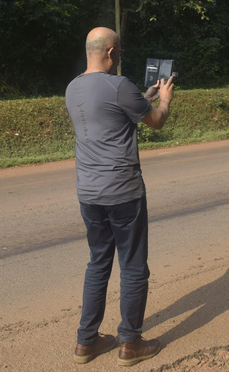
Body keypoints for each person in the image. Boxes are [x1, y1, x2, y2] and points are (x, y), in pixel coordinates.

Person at [65, 27, 175, 366]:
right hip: (123, 192)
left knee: (98, 263)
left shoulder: (72, 88)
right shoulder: (119, 86)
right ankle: (130, 343)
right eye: (119, 52)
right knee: (133, 267)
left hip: (89, 192)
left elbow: (113, 112)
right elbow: (155, 121)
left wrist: (146, 95)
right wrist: (165, 99)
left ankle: (87, 342)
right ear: (111, 51)